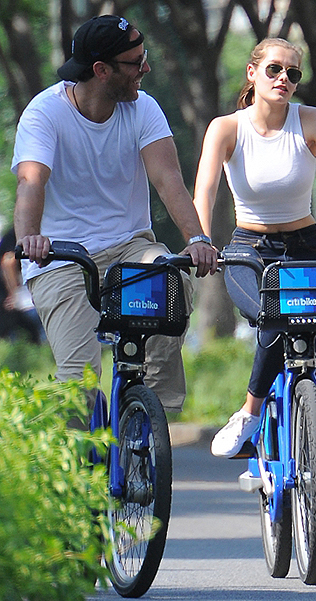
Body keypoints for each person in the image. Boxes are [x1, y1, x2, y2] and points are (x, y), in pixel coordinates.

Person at [193, 37, 316, 532]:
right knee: (274, 316)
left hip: (304, 245)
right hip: (247, 250)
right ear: (252, 72)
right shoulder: (226, 128)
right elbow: (205, 190)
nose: (284, 79)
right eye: (274, 69)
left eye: (293, 73)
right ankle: (251, 413)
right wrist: (199, 241)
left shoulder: (312, 121)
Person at [12, 15, 218, 425]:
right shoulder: (44, 114)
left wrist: (197, 238)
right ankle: (77, 460)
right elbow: (31, 182)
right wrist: (30, 238)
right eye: (136, 62)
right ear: (101, 70)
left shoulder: (144, 108)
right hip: (61, 257)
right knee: (80, 384)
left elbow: (168, 180)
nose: (146, 68)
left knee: (168, 276)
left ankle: (148, 413)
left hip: (130, 247)